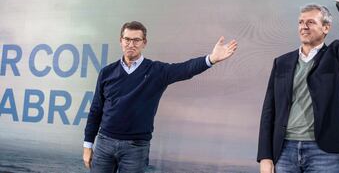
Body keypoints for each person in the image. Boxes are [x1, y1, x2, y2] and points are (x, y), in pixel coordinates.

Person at [83, 21, 237, 173]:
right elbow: (96, 110)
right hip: (104, 144)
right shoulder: (106, 72)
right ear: (121, 41)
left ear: (144, 43)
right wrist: (88, 145)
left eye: (136, 40)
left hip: (136, 148)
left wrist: (211, 59)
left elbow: (185, 69)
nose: (131, 44)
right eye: (127, 39)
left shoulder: (157, 71)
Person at [257, 0, 339, 173]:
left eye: (310, 22)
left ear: (326, 28)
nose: (303, 26)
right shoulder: (281, 62)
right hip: (284, 150)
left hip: (324, 152)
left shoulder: (337, 56)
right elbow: (268, 111)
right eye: (300, 22)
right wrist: (265, 157)